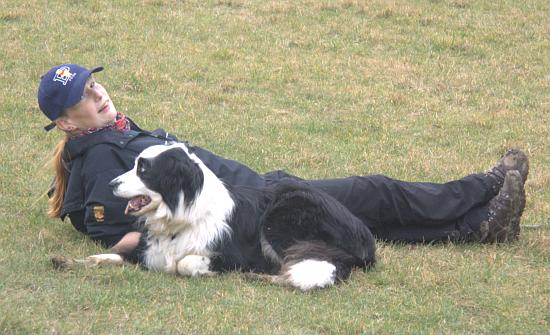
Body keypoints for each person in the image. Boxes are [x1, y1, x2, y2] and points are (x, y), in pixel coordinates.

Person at [37, 64, 529, 254]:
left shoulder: (114, 134)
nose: (98, 94)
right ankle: (481, 190)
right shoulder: (102, 161)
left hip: (259, 193)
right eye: (84, 96)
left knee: (358, 216)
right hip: (258, 205)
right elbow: (113, 231)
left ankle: (477, 226)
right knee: (372, 192)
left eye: (94, 83)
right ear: (67, 122)